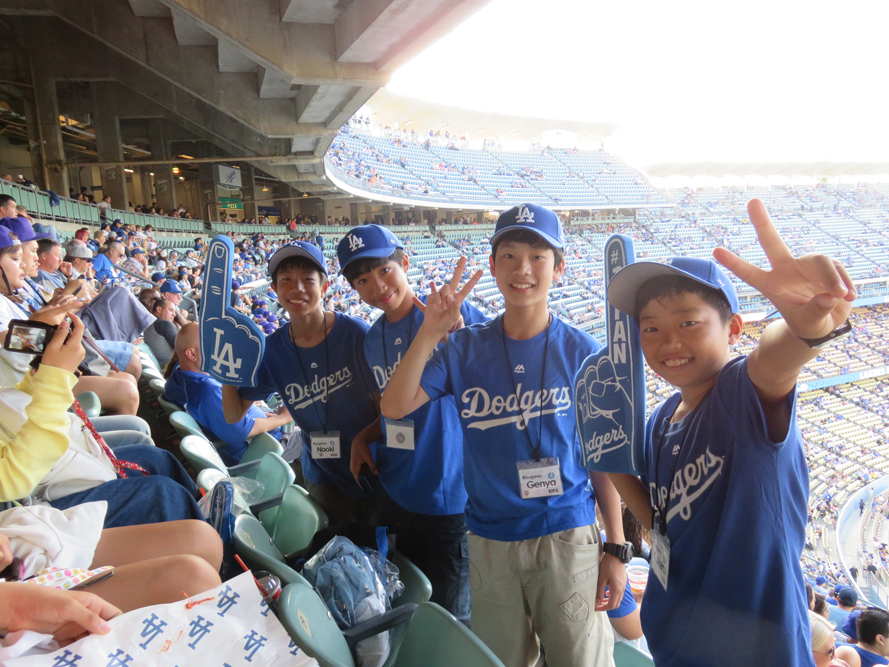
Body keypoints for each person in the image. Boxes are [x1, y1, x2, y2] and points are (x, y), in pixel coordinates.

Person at [605, 198, 856, 667]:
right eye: (651, 327)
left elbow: (775, 362)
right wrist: (610, 464)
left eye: (689, 322)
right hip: (676, 646)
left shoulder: (742, 395)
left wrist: (804, 329)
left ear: (734, 328)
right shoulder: (662, 417)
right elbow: (665, 522)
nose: (668, 341)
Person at [382, 204, 625, 667]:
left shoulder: (583, 353)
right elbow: (394, 406)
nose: (523, 269)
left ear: (559, 266)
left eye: (537, 256)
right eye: (509, 256)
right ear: (493, 266)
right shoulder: (464, 347)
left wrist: (614, 546)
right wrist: (430, 332)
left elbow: (602, 458)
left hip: (567, 534)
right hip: (490, 539)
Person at [337, 225, 486, 625]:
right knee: (407, 601)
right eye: (363, 280)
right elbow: (387, 407)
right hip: (395, 486)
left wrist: (456, 329)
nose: (377, 286)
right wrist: (362, 439)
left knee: (451, 618)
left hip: (447, 495)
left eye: (384, 271)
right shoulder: (371, 339)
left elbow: (494, 365)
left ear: (404, 263)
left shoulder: (450, 313)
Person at [222, 241, 379, 525]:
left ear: (325, 286)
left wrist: (367, 439)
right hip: (323, 474)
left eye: (308, 279)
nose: (298, 288)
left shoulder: (355, 332)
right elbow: (233, 414)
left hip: (373, 463)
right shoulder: (271, 351)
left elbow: (384, 404)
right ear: (274, 290)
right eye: (286, 280)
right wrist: (224, 369)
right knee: (340, 548)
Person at [166, 323, 291, 465]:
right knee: (319, 440)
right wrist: (284, 418)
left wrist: (253, 412)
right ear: (192, 354)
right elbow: (238, 431)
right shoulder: (207, 390)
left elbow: (216, 412)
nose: (220, 350)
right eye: (213, 345)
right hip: (265, 445)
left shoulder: (177, 376)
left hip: (261, 427)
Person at [141, 297, 178, 368]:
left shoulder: (150, 321)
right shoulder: (164, 324)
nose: (174, 314)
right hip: (168, 367)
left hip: (157, 365)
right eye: (170, 310)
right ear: (159, 309)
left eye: (174, 311)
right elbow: (182, 347)